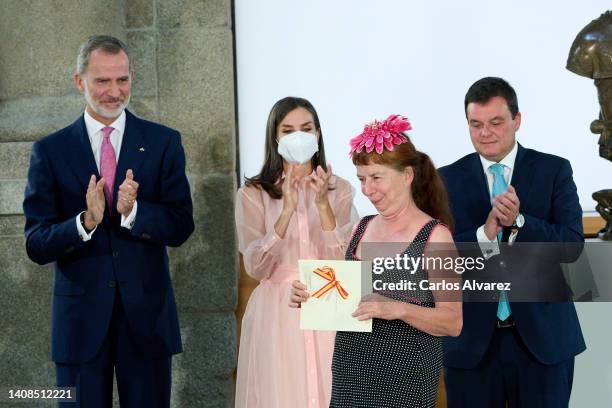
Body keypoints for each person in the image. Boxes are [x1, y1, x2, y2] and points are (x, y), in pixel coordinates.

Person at [23, 35, 194, 407]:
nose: (114, 91)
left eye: (123, 80)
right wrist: (85, 221)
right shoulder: (50, 151)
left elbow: (181, 225)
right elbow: (36, 242)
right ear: (79, 81)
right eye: (102, 81)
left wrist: (134, 213)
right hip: (79, 327)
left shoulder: (164, 142)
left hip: (147, 323)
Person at [291, 114, 462, 408]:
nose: (368, 190)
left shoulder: (436, 238)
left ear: (407, 176)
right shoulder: (362, 228)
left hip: (406, 382)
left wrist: (395, 308)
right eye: (362, 179)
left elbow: (452, 321)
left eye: (376, 178)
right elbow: (342, 294)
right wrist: (309, 294)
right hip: (349, 376)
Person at [439, 77, 586, 408]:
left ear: (517, 120)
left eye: (495, 123)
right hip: (472, 344)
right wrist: (483, 236)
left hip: (543, 342)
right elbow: (439, 256)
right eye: (475, 124)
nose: (485, 133)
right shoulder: (446, 179)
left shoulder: (554, 170)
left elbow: (572, 246)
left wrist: (520, 223)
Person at [234, 97, 357, 408]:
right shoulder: (253, 193)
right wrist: (285, 212)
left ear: (318, 133)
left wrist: (322, 206)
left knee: (332, 390)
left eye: (306, 128)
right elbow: (255, 266)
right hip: (278, 308)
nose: (298, 136)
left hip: (330, 300)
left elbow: (346, 260)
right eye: (288, 130)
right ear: (275, 137)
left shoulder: (338, 189)